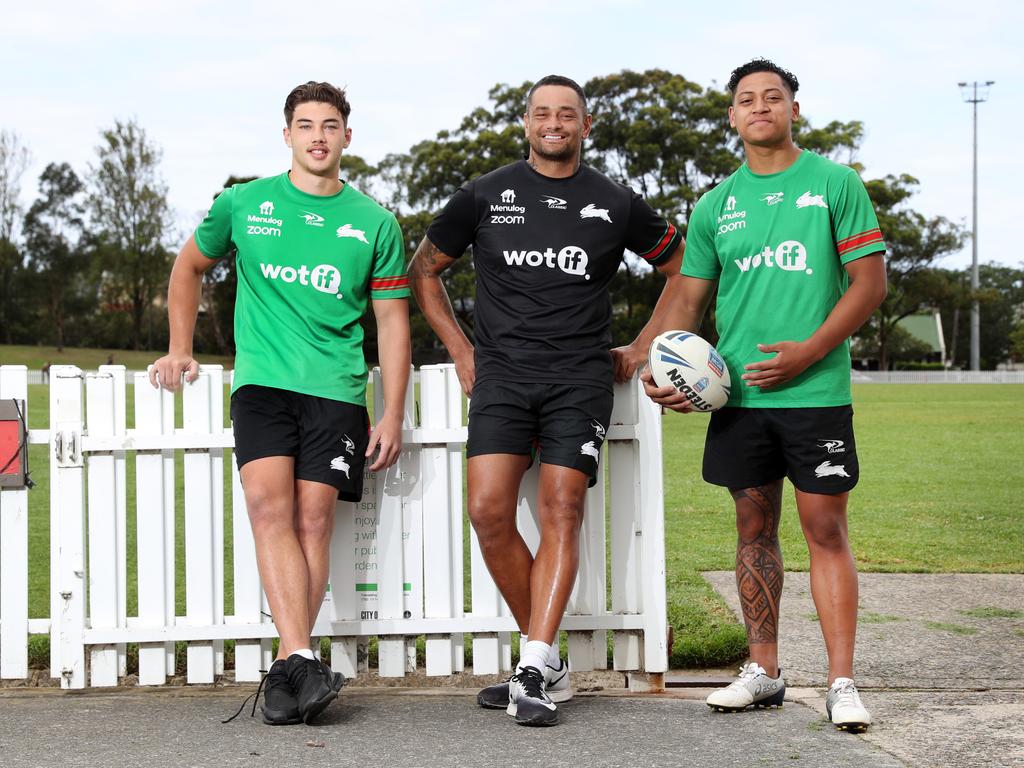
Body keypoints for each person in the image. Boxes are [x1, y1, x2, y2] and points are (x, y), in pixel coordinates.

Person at [408, 75, 685, 726]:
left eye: (568, 114)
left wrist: (644, 344)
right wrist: (460, 349)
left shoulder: (615, 201)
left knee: (562, 508)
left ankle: (532, 662)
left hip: (579, 379)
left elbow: (682, 268)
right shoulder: (484, 194)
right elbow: (423, 269)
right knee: (488, 511)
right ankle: (548, 661)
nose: (554, 122)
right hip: (501, 375)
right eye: (542, 113)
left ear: (586, 126)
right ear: (526, 123)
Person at [151, 81, 411, 726]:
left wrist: (391, 412)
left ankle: (290, 673)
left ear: (348, 136)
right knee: (270, 508)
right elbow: (188, 268)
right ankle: (301, 654)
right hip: (263, 384)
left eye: (330, 125)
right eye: (305, 124)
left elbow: (392, 321)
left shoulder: (375, 223)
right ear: (287, 134)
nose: (318, 135)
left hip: (337, 389)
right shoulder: (244, 204)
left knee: (314, 522)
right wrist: (180, 345)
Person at [642, 58, 887, 732]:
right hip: (740, 401)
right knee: (753, 530)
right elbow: (689, 297)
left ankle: (842, 681)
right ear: (732, 116)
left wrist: (810, 350)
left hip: (815, 395)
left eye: (772, 97)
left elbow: (869, 284)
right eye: (746, 99)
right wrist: (663, 365)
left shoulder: (835, 185)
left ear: (793, 110)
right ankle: (764, 671)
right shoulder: (717, 205)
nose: (759, 107)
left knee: (825, 530)